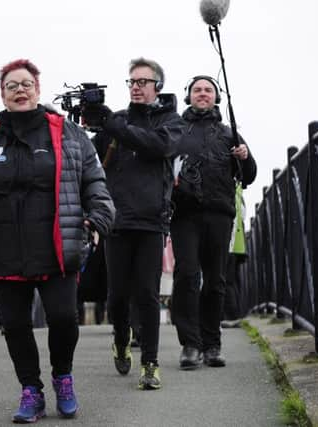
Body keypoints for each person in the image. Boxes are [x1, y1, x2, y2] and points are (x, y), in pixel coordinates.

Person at [0, 59, 114, 423]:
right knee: (15, 323)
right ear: (2, 95)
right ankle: (31, 390)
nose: (19, 90)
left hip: (56, 242)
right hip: (3, 246)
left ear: (37, 89)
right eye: (11, 86)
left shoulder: (68, 134)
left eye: (26, 84)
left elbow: (94, 182)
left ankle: (62, 377)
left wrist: (96, 221)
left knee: (63, 317)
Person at [91, 57, 185, 390]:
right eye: (131, 82)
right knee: (116, 296)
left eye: (143, 82)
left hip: (150, 220)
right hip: (117, 221)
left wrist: (114, 127)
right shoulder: (114, 121)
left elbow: (159, 147)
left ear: (157, 87)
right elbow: (92, 162)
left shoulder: (171, 122)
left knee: (146, 293)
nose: (135, 87)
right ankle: (120, 338)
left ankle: (150, 362)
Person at [170, 75, 256, 370]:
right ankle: (190, 345)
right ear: (188, 96)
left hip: (219, 213)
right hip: (183, 215)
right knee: (186, 276)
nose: (203, 94)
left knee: (216, 280)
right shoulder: (176, 131)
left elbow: (249, 175)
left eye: (208, 90)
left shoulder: (229, 133)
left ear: (217, 97)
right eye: (197, 90)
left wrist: (244, 158)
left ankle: (212, 343)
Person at [221, 184, 247, 328]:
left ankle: (231, 316)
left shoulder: (232, 190)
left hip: (231, 242)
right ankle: (236, 314)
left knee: (227, 280)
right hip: (238, 243)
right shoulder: (238, 190)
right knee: (233, 280)